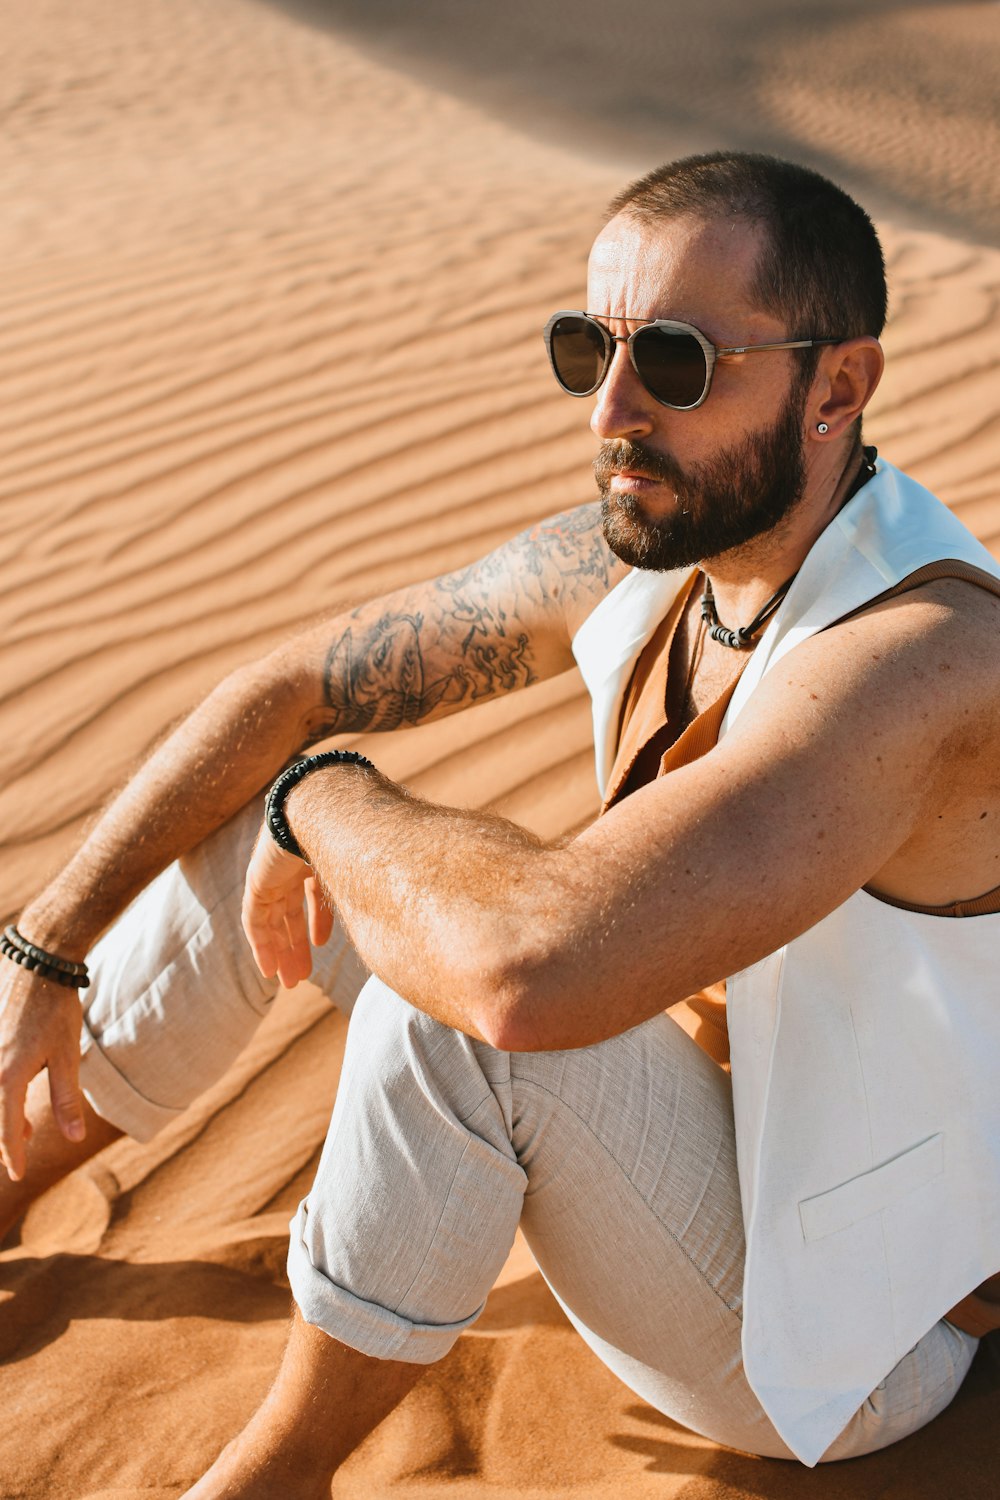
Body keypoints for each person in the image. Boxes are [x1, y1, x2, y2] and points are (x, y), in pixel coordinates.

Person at [2, 152, 998, 1496]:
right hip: (689, 1149)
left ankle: (267, 1479)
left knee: (457, 995)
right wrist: (46, 948)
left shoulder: (918, 659)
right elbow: (290, 686)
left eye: (679, 364)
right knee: (296, 819)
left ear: (838, 387)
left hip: (846, 1330)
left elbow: (526, 980)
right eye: (588, 347)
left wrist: (321, 799)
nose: (609, 412)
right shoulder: (667, 541)